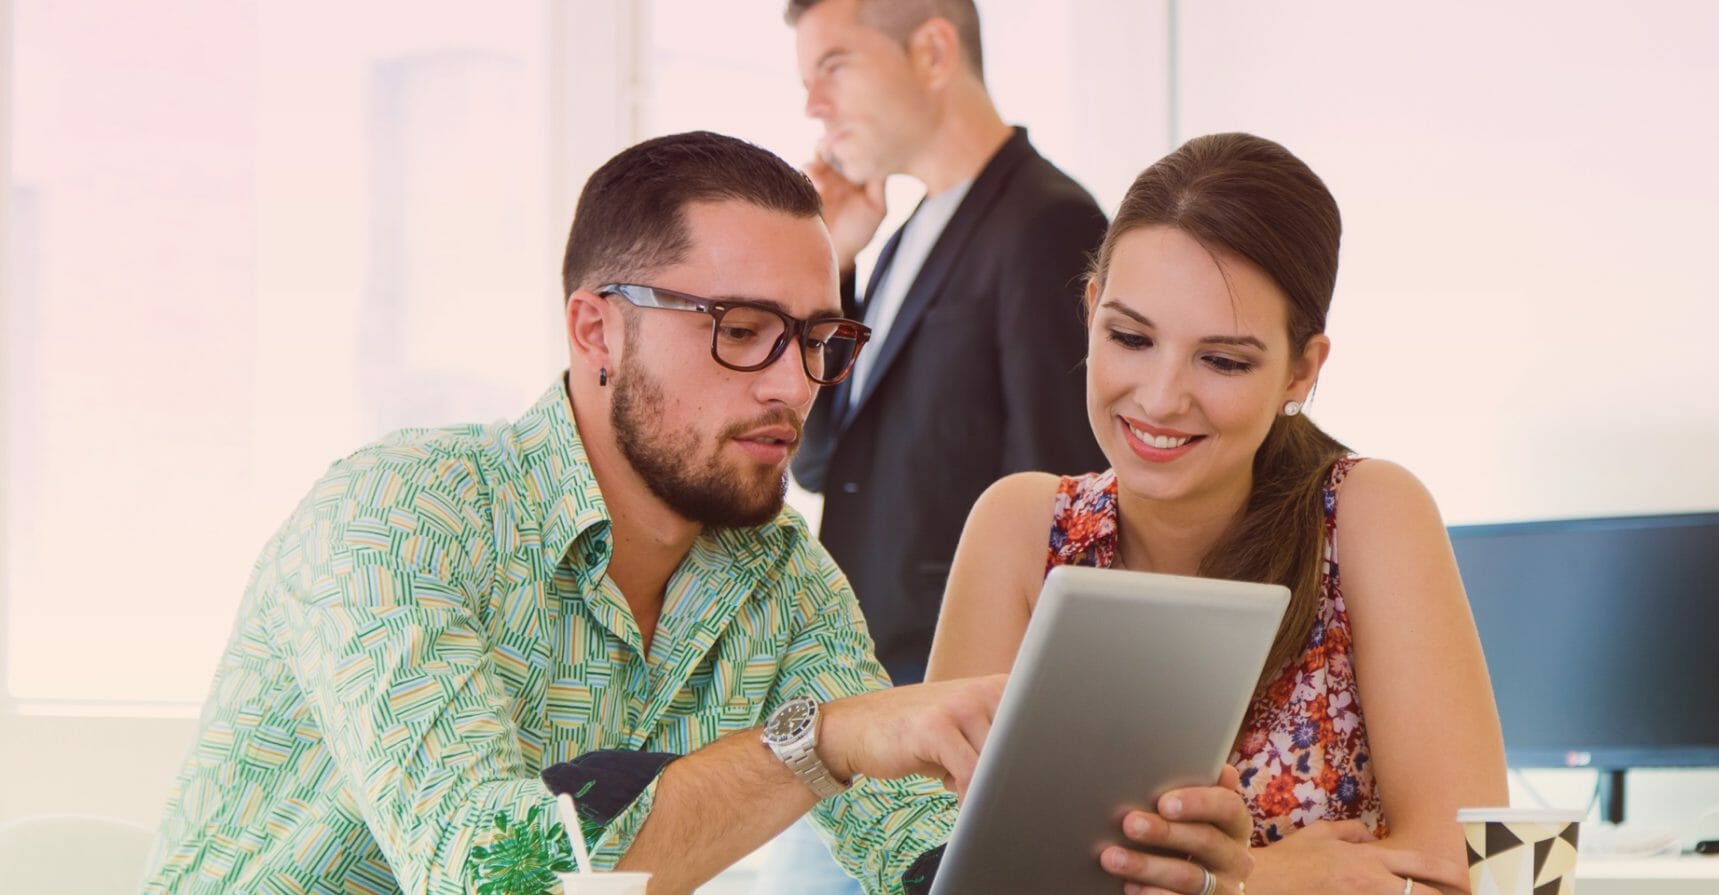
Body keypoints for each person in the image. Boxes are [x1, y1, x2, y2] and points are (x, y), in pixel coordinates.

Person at [141, 132, 1251, 895]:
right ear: (595, 332)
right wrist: (820, 742)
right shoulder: (399, 518)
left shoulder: (778, 575)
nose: (791, 384)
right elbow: (501, 875)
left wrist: (1125, 854)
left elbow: (910, 850)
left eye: (820, 338)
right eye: (739, 328)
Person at [925, 133, 1511, 895]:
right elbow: (942, 869)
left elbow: (1511, 875)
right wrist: (1270, 878)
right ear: (1090, 309)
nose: (1162, 397)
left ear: (1303, 369)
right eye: (1131, 337)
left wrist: (1239, 884)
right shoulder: (1019, 526)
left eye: (1223, 360)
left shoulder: (1370, 513)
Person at [785, 0, 1108, 686]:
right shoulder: (901, 235)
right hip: (870, 669)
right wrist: (834, 266)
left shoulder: (1049, 221)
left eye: (833, 67)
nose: (814, 104)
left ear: (932, 53)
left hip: (961, 677)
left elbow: (1060, 495)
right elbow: (816, 461)